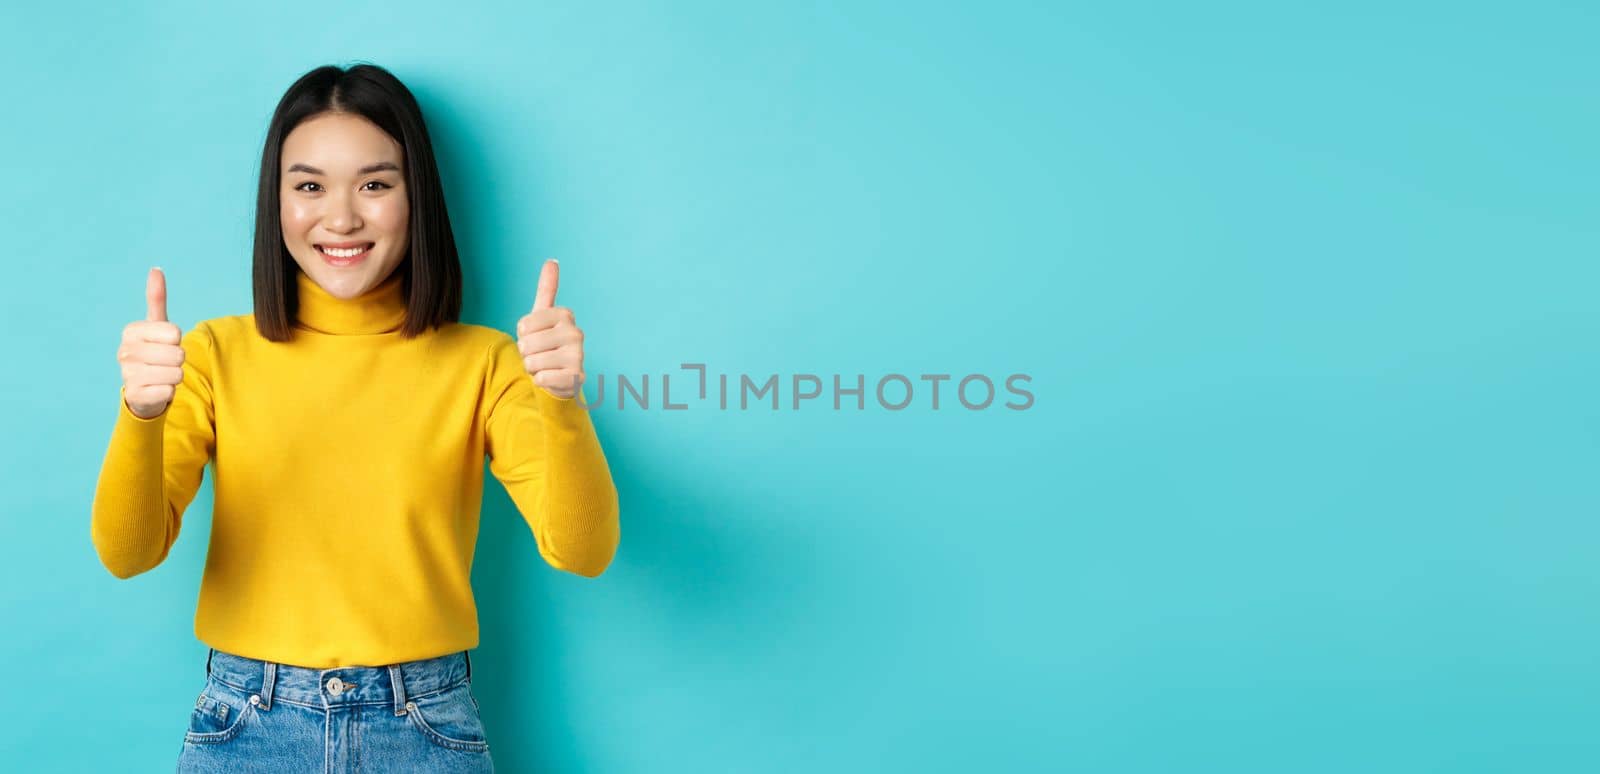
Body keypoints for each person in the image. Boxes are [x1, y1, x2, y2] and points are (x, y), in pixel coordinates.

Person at [90, 62, 621, 773]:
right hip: (247, 723)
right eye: (309, 186)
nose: (340, 218)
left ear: (416, 197)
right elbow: (128, 553)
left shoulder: (485, 364)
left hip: (425, 726)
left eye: (375, 184)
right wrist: (141, 413)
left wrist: (561, 403)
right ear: (276, 202)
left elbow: (582, 551)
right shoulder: (213, 356)